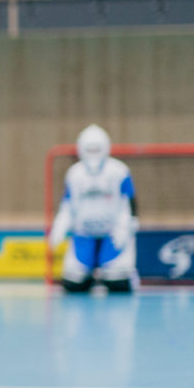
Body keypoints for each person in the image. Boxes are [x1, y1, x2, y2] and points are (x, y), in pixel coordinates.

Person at [49, 124, 139, 293]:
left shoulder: (119, 171)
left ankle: (122, 275)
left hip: (113, 235)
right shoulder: (74, 174)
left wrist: (126, 228)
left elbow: (128, 204)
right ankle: (88, 276)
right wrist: (58, 230)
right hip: (83, 235)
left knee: (117, 282)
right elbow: (67, 206)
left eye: (96, 149)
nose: (93, 154)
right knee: (73, 284)